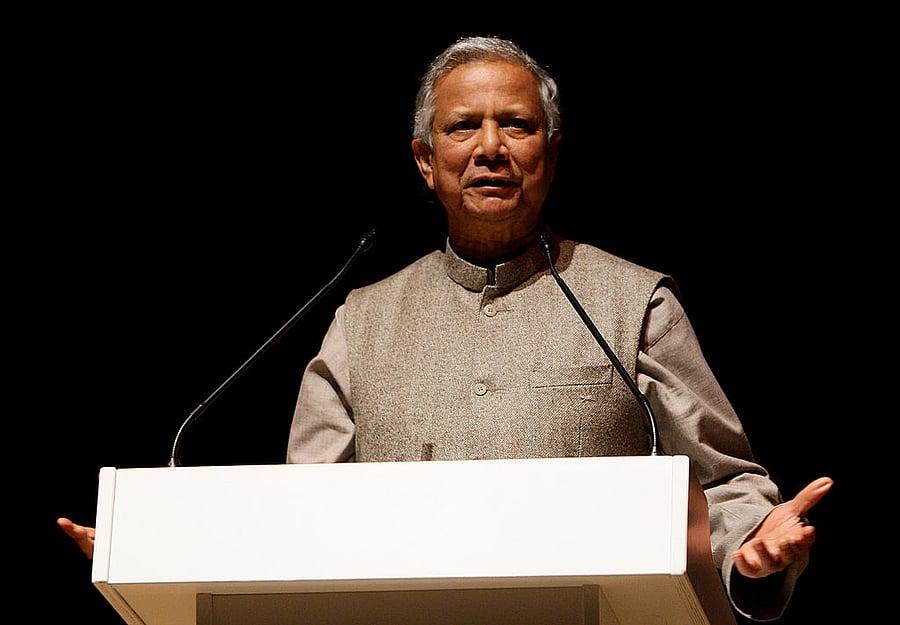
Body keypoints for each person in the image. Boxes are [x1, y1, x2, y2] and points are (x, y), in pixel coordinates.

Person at [59, 35, 833, 622]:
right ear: (426, 162)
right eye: (464, 127)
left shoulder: (634, 301)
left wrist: (751, 550)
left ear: (551, 155)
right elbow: (296, 518)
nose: (490, 148)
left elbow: (727, 480)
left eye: (517, 125)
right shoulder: (360, 322)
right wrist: (157, 551)